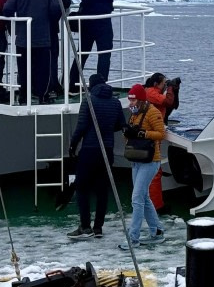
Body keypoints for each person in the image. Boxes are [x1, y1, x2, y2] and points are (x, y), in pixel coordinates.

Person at [67, 73, 126, 238]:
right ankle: (98, 227)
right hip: (107, 150)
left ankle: (85, 227)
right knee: (102, 190)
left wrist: (73, 145)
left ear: (91, 85)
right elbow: (121, 124)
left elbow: (81, 126)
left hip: (90, 149)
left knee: (82, 187)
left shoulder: (89, 100)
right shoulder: (115, 102)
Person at [2, 0, 62, 104]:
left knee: (23, 69)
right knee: (44, 68)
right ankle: (43, 96)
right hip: (43, 36)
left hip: (23, 37)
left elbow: (7, 10)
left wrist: (16, 26)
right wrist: (49, 22)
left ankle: (24, 97)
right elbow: (56, 8)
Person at [119, 84, 166, 249]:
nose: (130, 103)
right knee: (143, 197)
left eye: (133, 100)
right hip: (137, 159)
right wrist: (128, 132)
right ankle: (157, 230)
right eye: (129, 100)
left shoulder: (152, 112)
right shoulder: (134, 114)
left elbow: (161, 133)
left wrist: (142, 134)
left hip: (151, 160)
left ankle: (134, 238)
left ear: (140, 99)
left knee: (136, 198)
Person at [76, 0, 126, 82]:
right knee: (104, 54)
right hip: (101, 20)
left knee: (82, 53)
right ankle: (101, 83)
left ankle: (72, 83)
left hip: (85, 19)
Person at [143, 73, 181, 211]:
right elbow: (168, 102)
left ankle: (150, 203)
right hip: (152, 137)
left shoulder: (149, 92)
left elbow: (172, 105)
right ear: (155, 84)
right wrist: (171, 88)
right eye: (163, 83)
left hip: (147, 136)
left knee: (150, 171)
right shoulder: (151, 93)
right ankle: (156, 206)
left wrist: (174, 89)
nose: (165, 85)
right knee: (154, 172)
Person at [38, 0, 72, 97]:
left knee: (35, 59)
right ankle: (53, 84)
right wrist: (55, 16)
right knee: (52, 57)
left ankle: (35, 86)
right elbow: (66, 2)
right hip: (51, 28)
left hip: (33, 30)